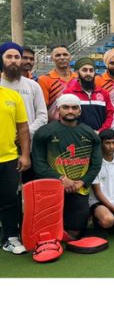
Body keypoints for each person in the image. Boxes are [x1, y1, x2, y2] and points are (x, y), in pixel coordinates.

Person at [32, 94, 102, 239]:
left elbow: (96, 164)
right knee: (49, 225)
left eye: (74, 107)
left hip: (79, 188)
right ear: (58, 109)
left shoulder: (90, 133)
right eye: (66, 107)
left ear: (80, 111)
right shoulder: (44, 132)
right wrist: (61, 179)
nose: (70, 111)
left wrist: (82, 182)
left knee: (76, 230)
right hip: (52, 187)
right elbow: (38, 164)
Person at [0, 62, 30, 254]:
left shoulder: (12, 96)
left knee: (10, 200)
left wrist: (25, 154)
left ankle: (11, 237)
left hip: (8, 158)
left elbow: (23, 128)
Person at [0, 42, 48, 140]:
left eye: (17, 57)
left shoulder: (33, 85)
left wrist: (26, 133)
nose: (13, 60)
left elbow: (42, 116)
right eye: (8, 57)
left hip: (28, 144)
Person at [63, 57, 114, 133]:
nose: (88, 73)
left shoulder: (103, 93)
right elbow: (64, 116)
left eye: (91, 70)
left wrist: (101, 131)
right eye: (84, 70)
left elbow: (110, 114)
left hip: (99, 137)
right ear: (77, 73)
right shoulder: (68, 93)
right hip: (77, 136)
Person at [38, 45, 76, 121]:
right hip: (54, 125)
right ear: (52, 58)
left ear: (70, 57)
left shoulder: (78, 78)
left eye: (65, 54)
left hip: (76, 123)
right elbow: (43, 107)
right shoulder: (44, 79)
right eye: (58, 55)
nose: (62, 57)